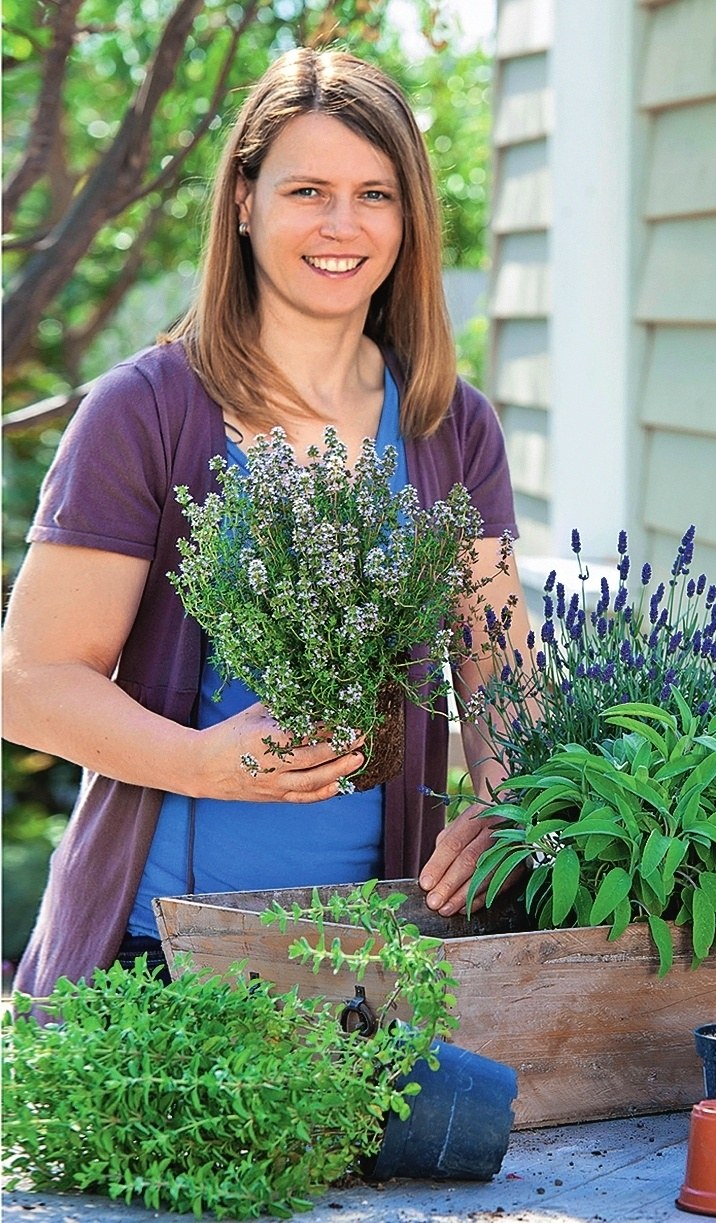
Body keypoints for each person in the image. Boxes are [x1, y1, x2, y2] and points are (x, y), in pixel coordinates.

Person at [2, 46, 530, 998]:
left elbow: (502, 676)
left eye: (376, 194)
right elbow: (30, 683)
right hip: (155, 961)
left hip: (374, 962)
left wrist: (506, 805)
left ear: (409, 219)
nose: (342, 225)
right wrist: (201, 761)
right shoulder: (147, 411)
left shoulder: (447, 425)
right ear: (243, 202)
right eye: (307, 191)